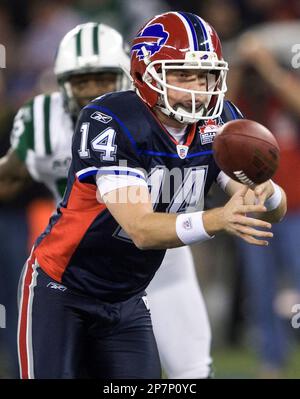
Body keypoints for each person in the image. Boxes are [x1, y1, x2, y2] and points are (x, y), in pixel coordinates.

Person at [17, 12, 286, 379]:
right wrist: (217, 219)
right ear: (147, 75)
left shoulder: (219, 120)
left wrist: (266, 193)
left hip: (127, 297)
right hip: (64, 290)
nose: (197, 87)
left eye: (205, 75)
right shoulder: (111, 119)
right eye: (181, 75)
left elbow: (259, 202)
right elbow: (140, 228)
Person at [3, 22, 211, 379]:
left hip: (158, 258)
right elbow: (10, 177)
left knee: (190, 373)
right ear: (63, 83)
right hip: (78, 264)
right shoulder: (42, 121)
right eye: (82, 81)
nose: (93, 90)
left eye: (103, 79)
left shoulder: (157, 115)